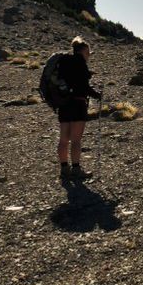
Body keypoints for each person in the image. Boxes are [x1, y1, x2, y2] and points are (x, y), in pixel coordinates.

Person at [56, 36, 102, 181]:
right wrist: (97, 95)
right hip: (77, 104)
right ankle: (76, 170)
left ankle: (64, 169)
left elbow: (70, 80)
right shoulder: (80, 63)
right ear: (82, 50)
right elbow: (82, 86)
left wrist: (87, 74)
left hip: (63, 104)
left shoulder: (64, 62)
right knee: (76, 140)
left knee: (63, 139)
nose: (89, 55)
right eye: (88, 52)